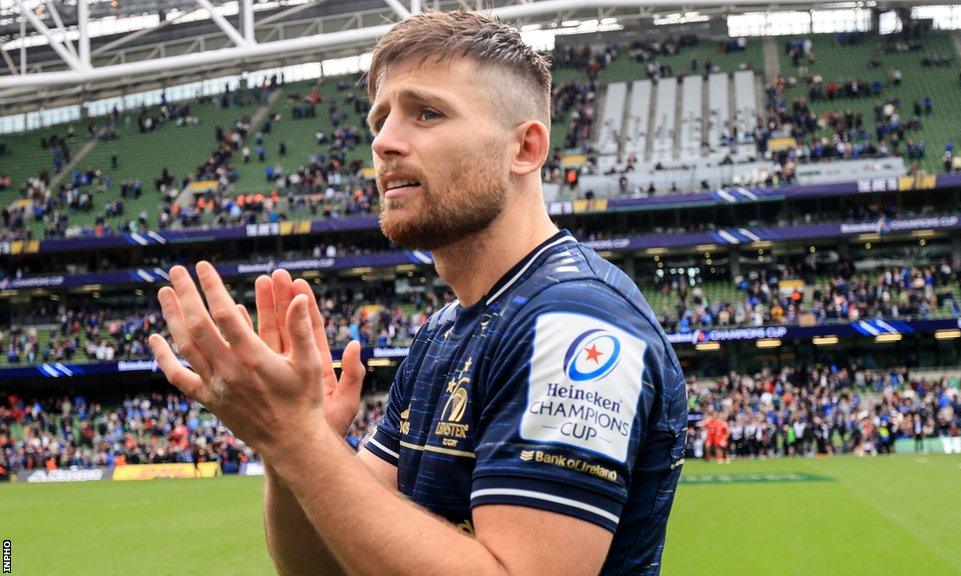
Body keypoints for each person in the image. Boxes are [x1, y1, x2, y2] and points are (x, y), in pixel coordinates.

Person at [148, 10, 687, 576]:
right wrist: (293, 447)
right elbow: (321, 568)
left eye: (426, 113)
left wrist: (297, 438)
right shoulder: (442, 332)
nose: (383, 143)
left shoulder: (576, 321)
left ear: (525, 149)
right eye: (378, 120)